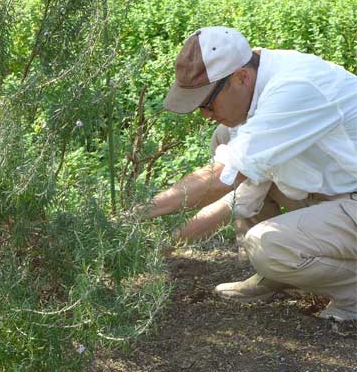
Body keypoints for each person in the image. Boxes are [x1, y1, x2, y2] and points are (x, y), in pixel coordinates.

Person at [142, 26, 357, 321]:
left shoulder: (295, 89)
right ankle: (282, 274)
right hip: (332, 191)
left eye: (207, 102)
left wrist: (140, 212)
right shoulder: (253, 86)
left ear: (240, 77)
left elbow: (223, 177)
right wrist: (156, 244)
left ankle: (351, 294)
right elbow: (238, 199)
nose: (204, 114)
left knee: (267, 245)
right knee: (225, 137)